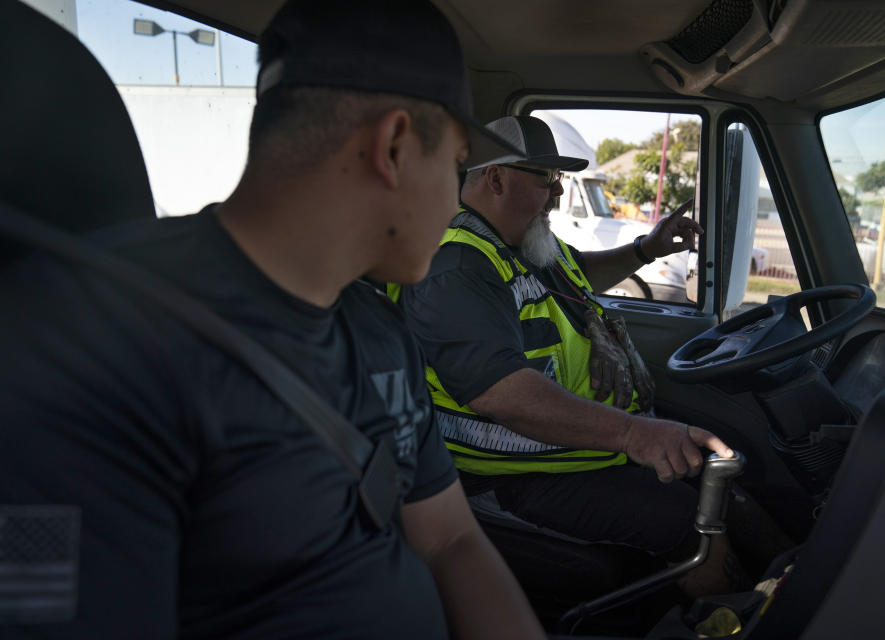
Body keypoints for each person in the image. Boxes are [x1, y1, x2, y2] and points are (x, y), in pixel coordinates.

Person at [0, 2, 548, 638]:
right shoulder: (85, 352)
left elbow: (450, 539)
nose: (456, 196)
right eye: (455, 165)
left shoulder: (379, 330)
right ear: (394, 147)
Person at [398, 115, 743, 597]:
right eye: (548, 178)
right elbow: (502, 394)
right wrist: (631, 434)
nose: (559, 193)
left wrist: (647, 248)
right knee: (695, 523)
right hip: (511, 475)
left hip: (575, 450)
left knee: (725, 485)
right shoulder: (458, 264)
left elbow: (577, 277)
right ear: (497, 177)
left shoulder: (525, 243)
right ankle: (716, 620)